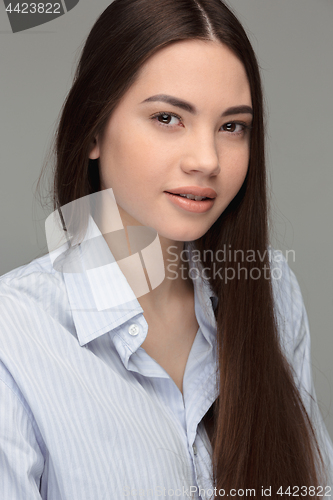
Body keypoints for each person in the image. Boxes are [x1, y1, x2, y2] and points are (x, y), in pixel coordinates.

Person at [0, 0, 332, 498]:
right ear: (93, 127)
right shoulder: (15, 335)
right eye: (168, 117)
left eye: (232, 126)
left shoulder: (271, 290)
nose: (207, 160)